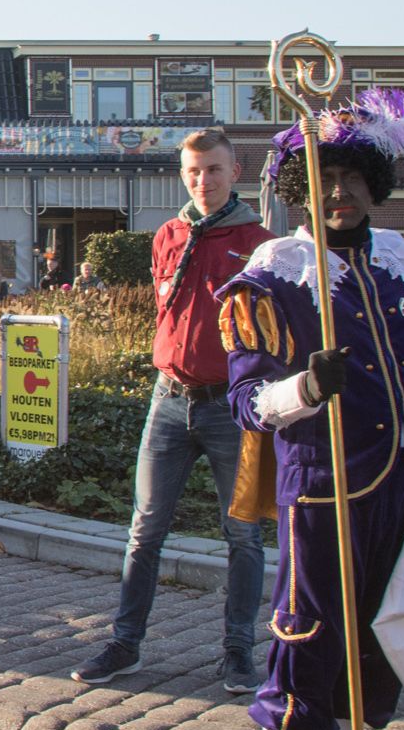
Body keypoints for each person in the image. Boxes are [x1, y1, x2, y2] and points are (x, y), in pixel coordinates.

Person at [214, 90, 404, 730]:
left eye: (355, 179)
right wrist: (303, 387)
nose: (341, 194)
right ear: (300, 190)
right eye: (326, 180)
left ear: (376, 184)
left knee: (368, 656)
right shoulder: (274, 274)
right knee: (307, 649)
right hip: (321, 495)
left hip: (403, 495)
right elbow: (246, 401)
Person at [75, 129, 273, 693]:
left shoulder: (259, 243)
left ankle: (238, 653)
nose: (202, 181)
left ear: (236, 172)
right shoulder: (168, 234)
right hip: (167, 400)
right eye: (192, 171)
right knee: (144, 531)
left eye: (212, 170)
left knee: (243, 537)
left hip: (229, 409)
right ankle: (125, 643)